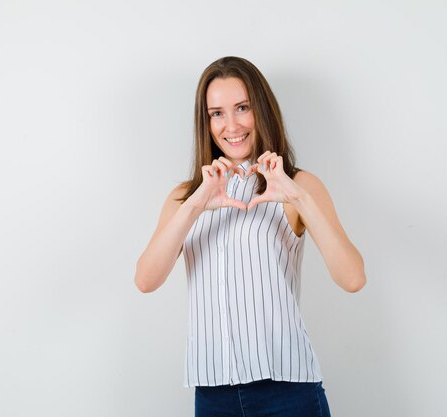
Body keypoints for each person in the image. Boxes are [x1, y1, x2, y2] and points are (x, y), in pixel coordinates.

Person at [134, 56, 366, 417]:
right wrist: (196, 205)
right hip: (212, 397)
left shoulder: (298, 185)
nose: (231, 125)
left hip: (287, 391)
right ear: (205, 121)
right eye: (217, 113)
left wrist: (296, 195)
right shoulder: (185, 197)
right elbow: (146, 280)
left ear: (262, 109)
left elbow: (352, 278)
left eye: (242, 107)